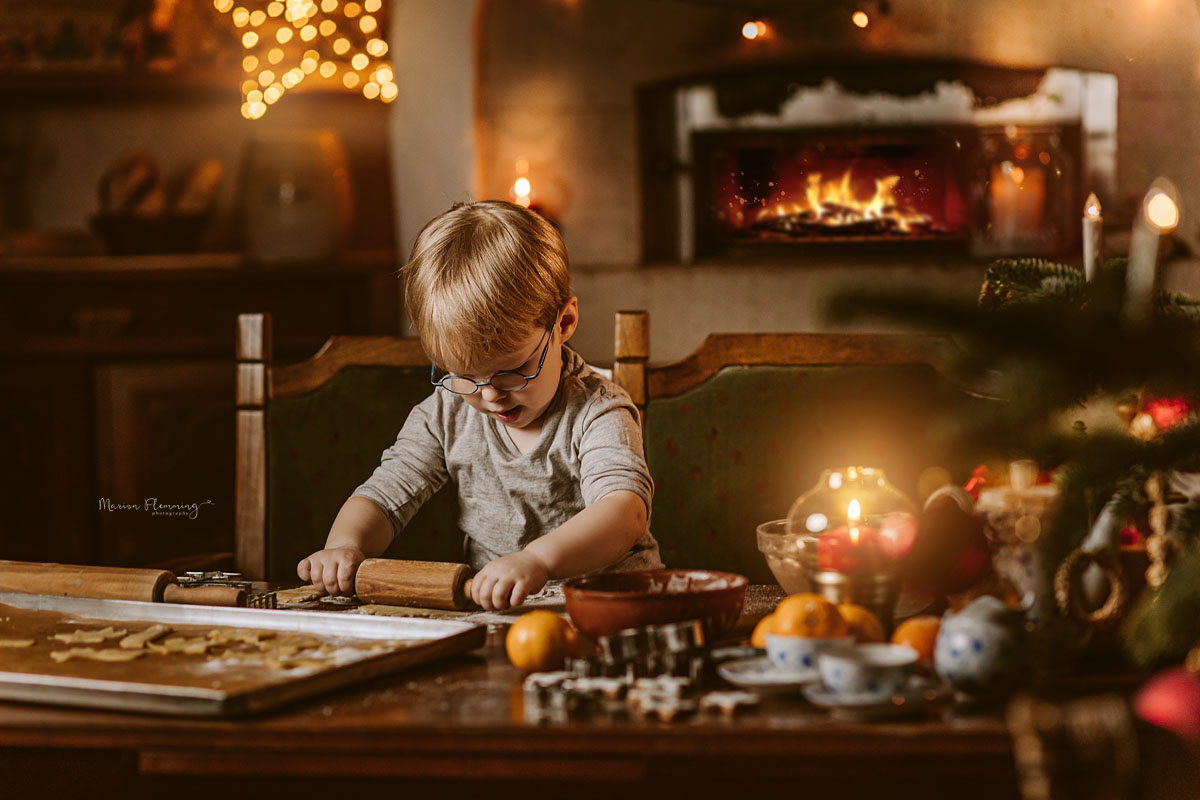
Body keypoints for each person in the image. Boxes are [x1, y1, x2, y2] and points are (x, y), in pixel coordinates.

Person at [297, 200, 661, 610]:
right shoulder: (446, 413)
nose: (489, 395)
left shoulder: (598, 410)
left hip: (617, 611)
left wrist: (537, 560)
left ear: (563, 323)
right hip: (500, 616)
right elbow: (384, 495)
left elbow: (624, 511)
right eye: (464, 375)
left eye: (513, 370)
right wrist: (345, 546)